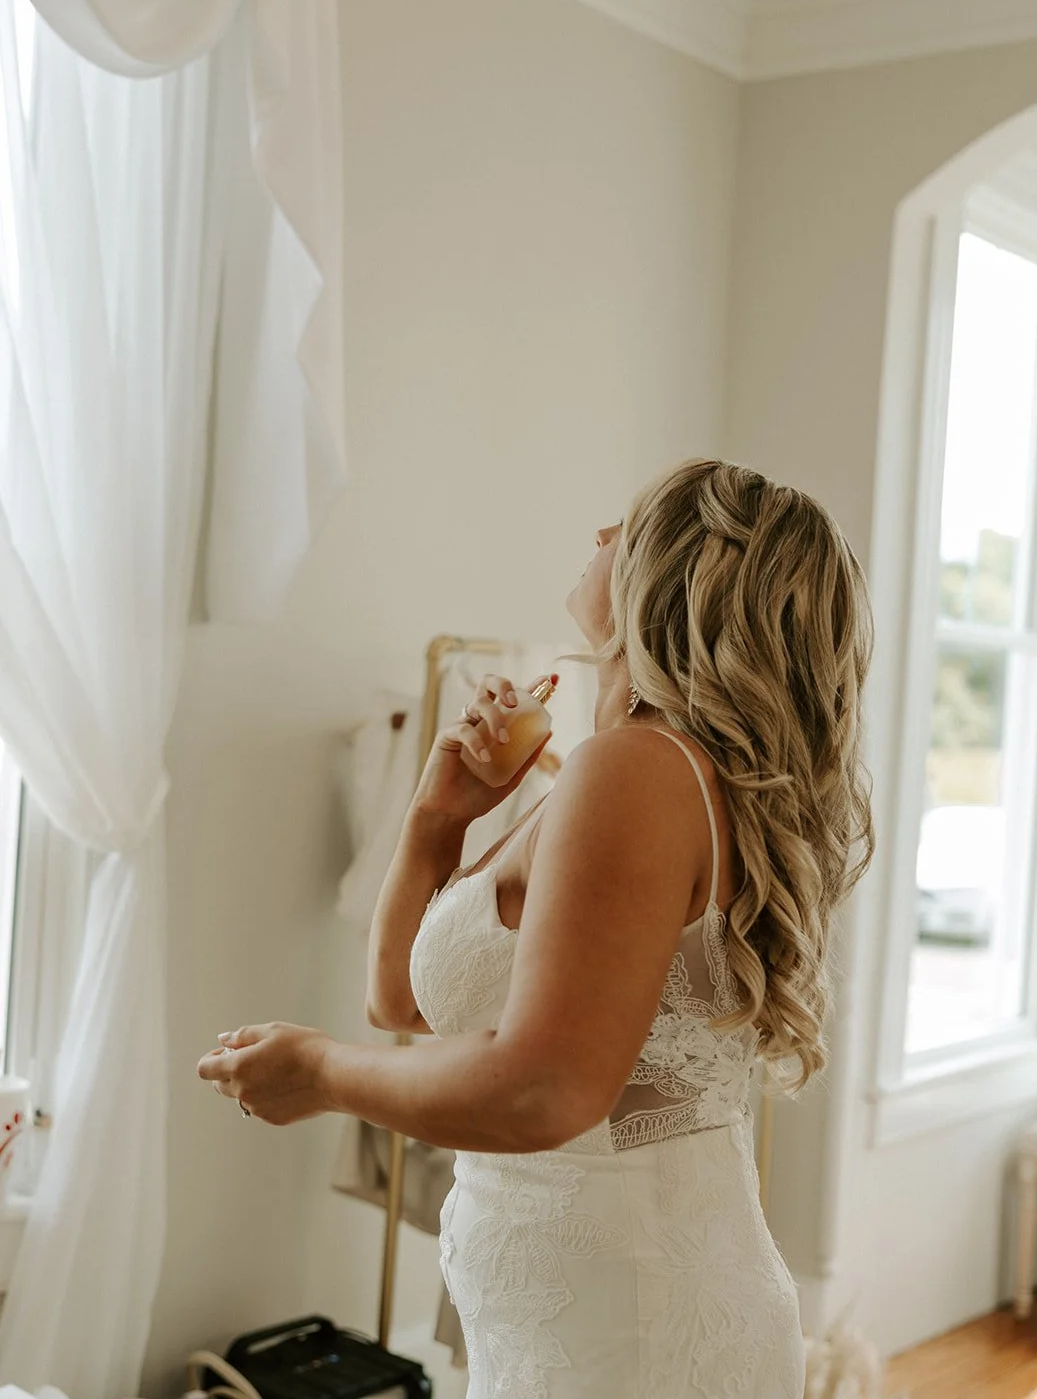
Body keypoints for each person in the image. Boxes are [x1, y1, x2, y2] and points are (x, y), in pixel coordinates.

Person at [199, 456, 875, 1399]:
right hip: (572, 1317)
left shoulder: (637, 769)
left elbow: (546, 1091)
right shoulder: (616, 774)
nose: (598, 536)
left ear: (672, 578)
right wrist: (439, 821)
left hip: (629, 1333)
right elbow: (403, 1000)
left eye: (626, 527)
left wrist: (319, 1074)